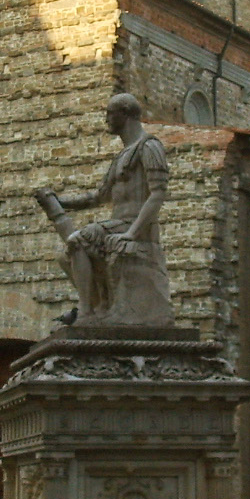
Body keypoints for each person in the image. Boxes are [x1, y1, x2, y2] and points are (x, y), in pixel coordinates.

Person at [34, 94, 172, 327]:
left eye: (110, 112)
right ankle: (99, 307)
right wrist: (61, 202)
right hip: (118, 224)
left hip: (135, 226)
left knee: (78, 241)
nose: (106, 118)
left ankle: (87, 314)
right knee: (63, 256)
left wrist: (132, 234)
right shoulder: (122, 155)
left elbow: (158, 194)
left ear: (125, 113)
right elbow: (98, 197)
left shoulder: (149, 146)